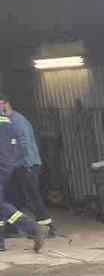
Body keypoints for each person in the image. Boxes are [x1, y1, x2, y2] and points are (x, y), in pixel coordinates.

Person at [0, 95, 53, 236]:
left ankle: (47, 228)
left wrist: (9, 162)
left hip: (26, 165)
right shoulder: (9, 121)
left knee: (32, 197)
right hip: (16, 166)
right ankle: (12, 229)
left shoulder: (17, 121)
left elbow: (23, 146)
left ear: (5, 103)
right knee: (14, 199)